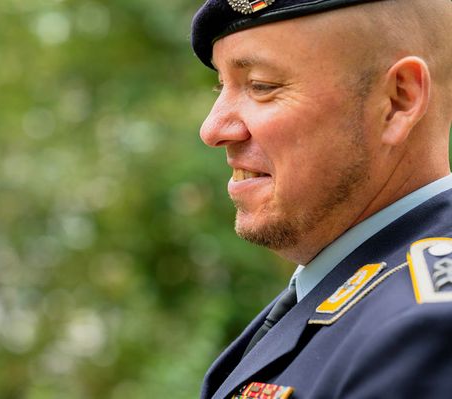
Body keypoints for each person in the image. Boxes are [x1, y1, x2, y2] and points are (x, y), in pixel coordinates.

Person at [190, 0, 452, 398]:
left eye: (261, 86)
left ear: (398, 100)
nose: (213, 128)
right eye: (220, 85)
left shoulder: (424, 329)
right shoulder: (351, 294)